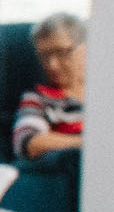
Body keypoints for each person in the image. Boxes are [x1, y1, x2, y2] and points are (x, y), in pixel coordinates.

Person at [13, 13, 86, 157]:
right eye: (44, 56)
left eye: (61, 52)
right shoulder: (37, 99)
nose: (52, 65)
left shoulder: (109, 94)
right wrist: (88, 143)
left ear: (85, 48)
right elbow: (28, 142)